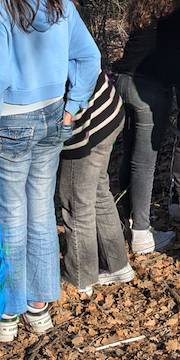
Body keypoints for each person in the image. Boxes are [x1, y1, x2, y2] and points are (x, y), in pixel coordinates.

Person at [0, 0, 100, 342]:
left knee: (11, 213)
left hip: (11, 121)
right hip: (50, 117)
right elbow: (89, 56)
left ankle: (10, 310)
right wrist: (72, 107)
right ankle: (38, 306)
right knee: (40, 208)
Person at [113, 0, 180, 255]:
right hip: (149, 87)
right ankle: (141, 233)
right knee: (145, 162)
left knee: (130, 154)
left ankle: (124, 220)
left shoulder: (145, 1)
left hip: (123, 79)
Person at [58, 71, 133, 296]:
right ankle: (118, 264)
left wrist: (69, 115)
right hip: (107, 113)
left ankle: (81, 277)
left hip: (85, 127)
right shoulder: (70, 35)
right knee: (98, 192)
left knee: (76, 202)